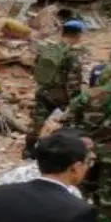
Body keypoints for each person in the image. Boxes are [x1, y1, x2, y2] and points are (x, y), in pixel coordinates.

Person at [65, 56, 111, 222]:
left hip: (86, 151)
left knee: (82, 189)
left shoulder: (90, 94)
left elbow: (67, 117)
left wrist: (81, 136)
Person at [26, 19, 87, 159]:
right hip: (61, 97)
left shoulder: (49, 50)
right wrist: (75, 101)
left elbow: (36, 71)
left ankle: (29, 151)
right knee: (64, 124)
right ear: (78, 35)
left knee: (37, 122)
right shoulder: (72, 56)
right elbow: (72, 83)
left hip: (43, 92)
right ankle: (57, 153)